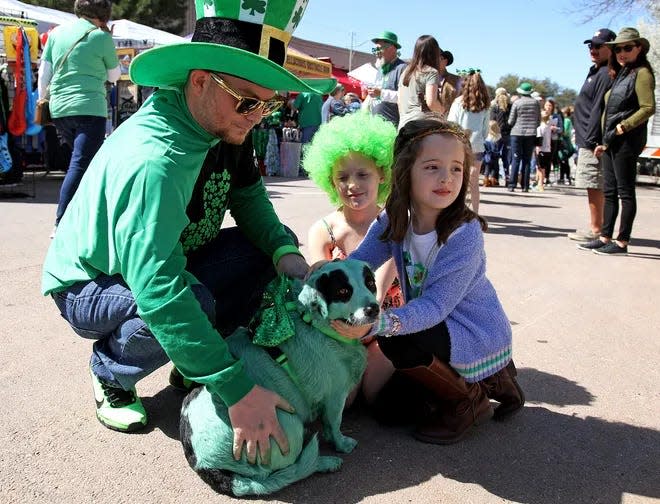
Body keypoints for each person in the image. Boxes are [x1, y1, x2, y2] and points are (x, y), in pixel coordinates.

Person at [41, 1, 336, 466]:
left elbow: (251, 200)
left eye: (268, 102)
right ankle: (111, 370)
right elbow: (160, 289)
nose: (258, 115)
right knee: (187, 300)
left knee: (262, 254)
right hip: (89, 286)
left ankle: (192, 355)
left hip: (166, 261)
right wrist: (236, 389)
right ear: (200, 80)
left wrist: (286, 254)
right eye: (248, 101)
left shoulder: (223, 124)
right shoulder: (156, 159)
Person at [330, 117, 523, 444]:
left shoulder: (464, 234)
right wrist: (320, 280)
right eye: (432, 167)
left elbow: (434, 307)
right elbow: (360, 262)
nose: (447, 178)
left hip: (472, 330)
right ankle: (492, 379)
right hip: (433, 329)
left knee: (395, 337)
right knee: (390, 413)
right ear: (406, 170)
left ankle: (469, 400)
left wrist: (375, 324)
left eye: (457, 168)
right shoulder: (395, 218)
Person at [304, 112, 401, 405]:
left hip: (387, 325)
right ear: (330, 181)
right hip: (341, 331)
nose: (352, 185)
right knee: (343, 401)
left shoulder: (394, 223)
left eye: (363, 174)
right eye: (342, 177)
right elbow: (318, 298)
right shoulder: (323, 231)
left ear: (382, 173)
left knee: (375, 395)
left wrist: (365, 331)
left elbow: (378, 293)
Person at [38, 0, 120, 238]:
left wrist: (43, 99)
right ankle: (62, 222)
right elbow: (114, 76)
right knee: (82, 164)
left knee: (83, 162)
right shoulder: (100, 37)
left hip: (60, 109)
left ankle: (83, 217)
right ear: (103, 15)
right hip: (89, 107)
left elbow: (45, 73)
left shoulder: (56, 33)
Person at [579, 27, 656, 255]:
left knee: (625, 192)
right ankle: (604, 236)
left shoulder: (642, 73)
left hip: (626, 141)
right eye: (618, 49)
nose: (622, 52)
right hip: (612, 140)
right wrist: (605, 140)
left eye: (627, 48)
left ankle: (622, 242)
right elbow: (610, 110)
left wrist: (624, 126)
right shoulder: (622, 72)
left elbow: (648, 107)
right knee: (610, 191)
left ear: (639, 48)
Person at [568, 28, 616, 242]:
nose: (593, 50)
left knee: (594, 182)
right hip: (586, 138)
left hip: (592, 139)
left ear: (610, 48)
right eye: (591, 46)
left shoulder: (606, 73)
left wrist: (593, 139)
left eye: (599, 46)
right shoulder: (596, 70)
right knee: (592, 182)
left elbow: (599, 108)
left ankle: (597, 228)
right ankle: (598, 226)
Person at [447, 69, 490, 213]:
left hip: (460, 145)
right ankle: (475, 213)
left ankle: (457, 212)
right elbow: (485, 130)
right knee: (474, 183)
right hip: (477, 145)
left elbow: (452, 123)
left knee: (459, 181)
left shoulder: (458, 102)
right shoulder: (485, 105)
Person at [397, 35, 443, 129]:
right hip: (421, 126)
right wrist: (443, 111)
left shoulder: (406, 72)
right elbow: (431, 103)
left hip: (403, 124)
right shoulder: (431, 72)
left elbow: (399, 101)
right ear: (434, 53)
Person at [366, 31, 408, 126]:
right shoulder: (381, 69)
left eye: (379, 49)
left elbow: (406, 97)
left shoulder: (403, 68)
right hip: (376, 126)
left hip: (392, 128)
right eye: (374, 50)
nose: (376, 53)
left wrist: (381, 93)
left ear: (392, 48)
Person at [507, 82, 541, 192]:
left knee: (516, 159)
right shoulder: (536, 103)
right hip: (531, 134)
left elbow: (511, 121)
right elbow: (538, 120)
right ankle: (525, 186)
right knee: (527, 160)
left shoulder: (517, 103)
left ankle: (512, 185)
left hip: (516, 133)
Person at [490, 87, 512, 182]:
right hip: (508, 134)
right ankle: (507, 177)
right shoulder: (511, 106)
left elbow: (492, 120)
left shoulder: (494, 106)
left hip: (496, 134)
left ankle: (495, 178)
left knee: (495, 156)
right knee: (506, 158)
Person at [534, 106, 553, 191]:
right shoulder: (549, 127)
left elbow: (539, 139)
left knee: (540, 168)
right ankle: (538, 182)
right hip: (548, 149)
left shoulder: (539, 128)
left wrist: (537, 148)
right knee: (543, 167)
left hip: (541, 149)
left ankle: (540, 184)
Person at [437, 50, 460, 118]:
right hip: (428, 123)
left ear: (445, 61)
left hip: (450, 122)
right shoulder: (423, 80)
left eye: (439, 58)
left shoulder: (457, 80)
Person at [482, 120, 502, 187]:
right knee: (494, 169)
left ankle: (486, 181)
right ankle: (493, 180)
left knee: (487, 169)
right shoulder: (499, 136)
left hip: (488, 156)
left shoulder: (487, 137)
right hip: (496, 156)